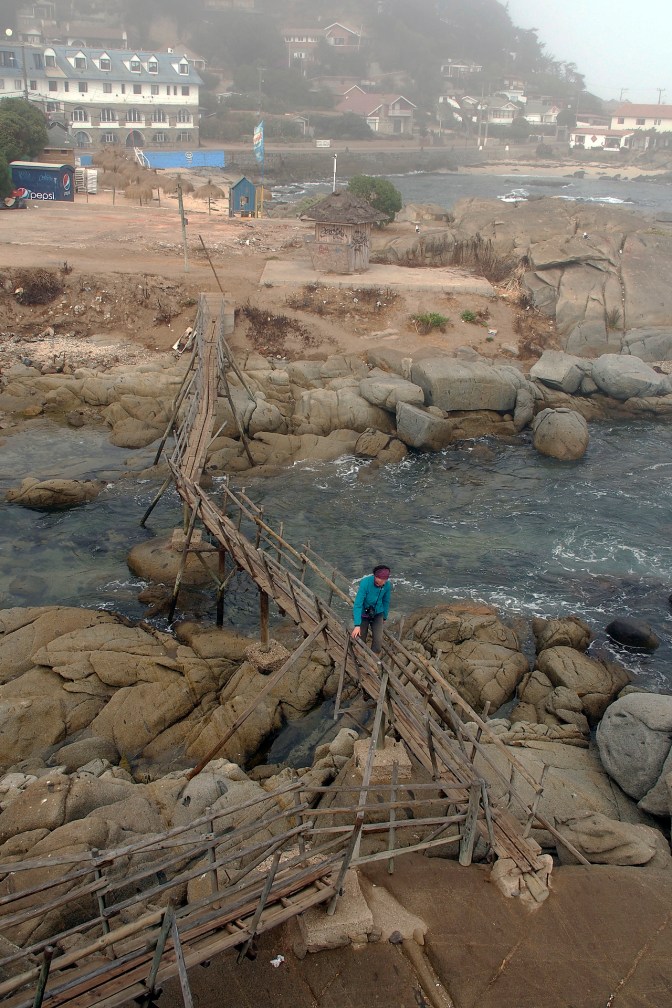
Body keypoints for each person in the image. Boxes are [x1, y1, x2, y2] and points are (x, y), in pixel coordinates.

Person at [351, 565, 391, 655]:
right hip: (364, 613)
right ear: (376, 577)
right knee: (360, 638)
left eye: (385, 580)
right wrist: (357, 625)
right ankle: (359, 658)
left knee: (378, 641)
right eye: (382, 580)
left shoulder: (387, 585)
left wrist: (384, 617)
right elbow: (358, 604)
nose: (383, 583)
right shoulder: (365, 583)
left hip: (378, 613)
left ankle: (373, 661)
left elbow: (386, 601)